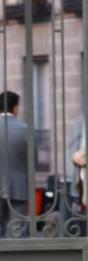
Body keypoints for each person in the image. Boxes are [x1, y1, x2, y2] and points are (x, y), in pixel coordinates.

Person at [0, 91, 29, 238]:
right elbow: (32, 161)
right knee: (15, 235)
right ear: (15, 108)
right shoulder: (25, 130)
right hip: (19, 188)